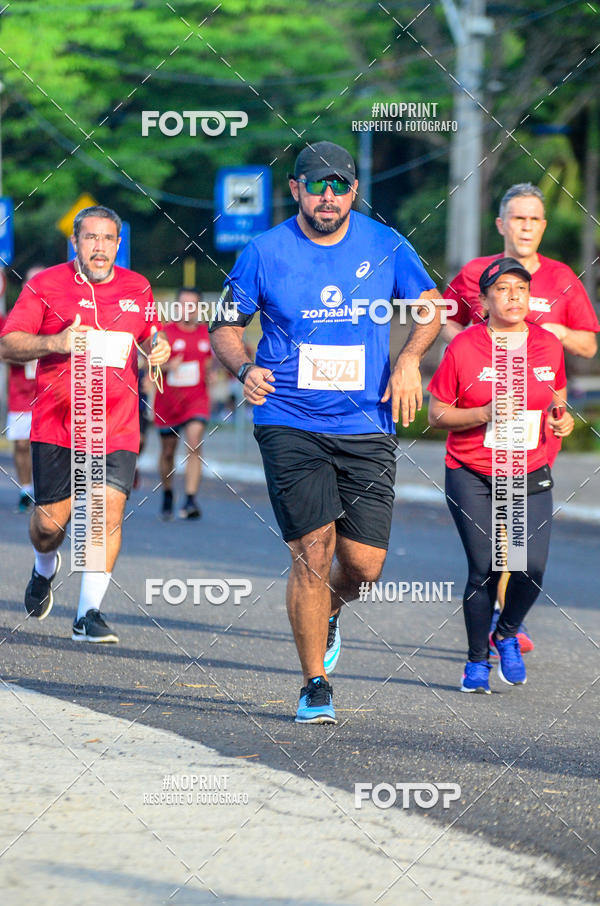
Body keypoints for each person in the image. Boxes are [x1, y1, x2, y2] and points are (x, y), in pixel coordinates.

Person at [210, 141, 441, 723]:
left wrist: (410, 359)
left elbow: (431, 306)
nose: (328, 197)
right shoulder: (263, 252)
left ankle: (330, 610)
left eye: (339, 186)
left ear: (354, 191)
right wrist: (244, 367)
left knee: (363, 565)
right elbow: (225, 327)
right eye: (317, 185)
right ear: (296, 189)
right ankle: (315, 683)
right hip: (288, 417)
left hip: (366, 420)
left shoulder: (385, 244)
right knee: (312, 551)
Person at [0, 205, 170, 642]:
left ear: (118, 243)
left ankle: (88, 614)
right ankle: (44, 567)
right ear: (74, 242)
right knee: (49, 527)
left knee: (105, 515)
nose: (99, 247)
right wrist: (55, 341)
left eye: (107, 238)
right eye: (90, 238)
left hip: (116, 425)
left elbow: (151, 332)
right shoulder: (44, 285)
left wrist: (159, 346)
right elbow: (8, 343)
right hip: (57, 424)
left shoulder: (138, 287)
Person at [442, 183, 599, 652]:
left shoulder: (562, 278)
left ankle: (505, 620)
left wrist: (556, 331)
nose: (525, 227)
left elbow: (589, 345)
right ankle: (501, 624)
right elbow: (444, 316)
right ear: (501, 224)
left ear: (543, 226)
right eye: (517, 218)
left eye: (534, 219)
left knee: (518, 543)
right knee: (499, 543)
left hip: (534, 440)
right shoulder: (474, 273)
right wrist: (470, 344)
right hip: (481, 434)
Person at [428, 258, 574, 693]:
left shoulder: (548, 344)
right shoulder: (465, 347)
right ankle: (476, 663)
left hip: (527, 471)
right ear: (485, 300)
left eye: (522, 289)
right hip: (472, 471)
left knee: (529, 569)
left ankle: (505, 633)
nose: (515, 297)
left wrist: (560, 421)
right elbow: (436, 414)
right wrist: (483, 412)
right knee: (486, 568)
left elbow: (557, 398)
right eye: (504, 289)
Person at [154, 287, 212, 520]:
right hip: (168, 402)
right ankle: (168, 493)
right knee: (168, 452)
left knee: (195, 443)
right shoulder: (165, 333)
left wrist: (211, 373)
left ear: (199, 308)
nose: (189, 309)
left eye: (193, 305)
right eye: (184, 304)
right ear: (176, 307)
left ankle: (190, 500)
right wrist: (168, 366)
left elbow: (210, 363)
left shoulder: (207, 334)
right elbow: (150, 364)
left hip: (196, 400)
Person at [1, 265, 44, 512]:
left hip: (51, 390)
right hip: (20, 391)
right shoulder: (12, 317)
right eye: (32, 281)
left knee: (49, 445)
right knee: (21, 444)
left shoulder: (58, 314)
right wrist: (24, 356)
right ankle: (26, 488)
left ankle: (47, 490)